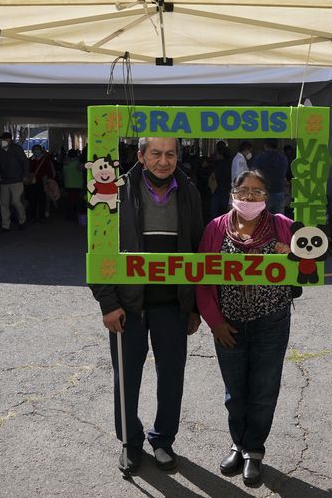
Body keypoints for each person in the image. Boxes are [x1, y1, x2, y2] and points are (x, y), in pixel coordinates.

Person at [90, 137, 204, 475]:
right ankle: (130, 442)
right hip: (128, 306)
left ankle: (163, 440)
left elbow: (198, 249)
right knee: (126, 378)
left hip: (173, 305)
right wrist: (107, 303)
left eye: (170, 154)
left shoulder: (190, 192)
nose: (163, 161)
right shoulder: (113, 192)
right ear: (140, 156)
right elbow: (98, 250)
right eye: (155, 153)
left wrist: (194, 304)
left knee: (171, 376)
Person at [196, 169, 295, 487]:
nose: (250, 197)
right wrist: (216, 323)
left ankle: (254, 452)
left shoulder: (283, 226)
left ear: (267, 197)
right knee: (235, 393)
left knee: (264, 391)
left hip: (272, 321)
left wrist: (299, 251)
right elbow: (203, 278)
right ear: (232, 194)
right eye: (244, 190)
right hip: (229, 324)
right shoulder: (215, 228)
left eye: (257, 191)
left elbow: (310, 260)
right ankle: (237, 445)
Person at [0, 131, 29, 232]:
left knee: (16, 201)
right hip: (4, 181)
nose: (3, 141)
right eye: (2, 139)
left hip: (16, 180)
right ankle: (6, 225)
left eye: (4, 139)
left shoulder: (16, 148)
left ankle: (22, 220)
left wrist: (25, 175)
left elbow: (25, 161)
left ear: (9, 139)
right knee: (4, 203)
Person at [252, 139, 289, 214]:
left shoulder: (260, 158)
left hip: (264, 193)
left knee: (263, 220)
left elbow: (253, 174)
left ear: (265, 145)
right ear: (278, 146)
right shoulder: (283, 158)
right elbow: (284, 173)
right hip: (279, 192)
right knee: (279, 220)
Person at [27, 144, 55, 223]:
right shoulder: (30, 160)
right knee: (32, 200)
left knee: (42, 200)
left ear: (41, 150)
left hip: (43, 183)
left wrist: (48, 181)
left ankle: (41, 216)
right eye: (34, 150)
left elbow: (50, 172)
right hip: (32, 183)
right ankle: (33, 216)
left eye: (37, 149)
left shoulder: (45, 160)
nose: (36, 151)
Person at [209, 141, 233, 218]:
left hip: (218, 189)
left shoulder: (218, 164)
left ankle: (214, 226)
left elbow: (214, 176)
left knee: (214, 210)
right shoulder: (231, 162)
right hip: (227, 189)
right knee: (224, 211)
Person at [61, 149, 85, 220]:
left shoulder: (65, 163)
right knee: (75, 202)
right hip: (76, 185)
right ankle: (73, 216)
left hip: (67, 184)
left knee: (69, 201)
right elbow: (85, 168)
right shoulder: (78, 163)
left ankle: (68, 215)